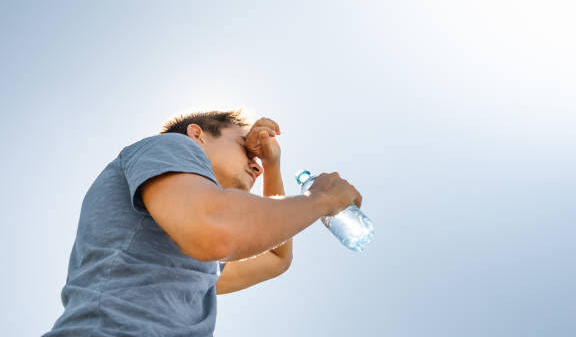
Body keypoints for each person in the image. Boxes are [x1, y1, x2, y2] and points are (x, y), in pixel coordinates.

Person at [44, 110, 362, 337]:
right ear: (197, 135)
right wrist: (321, 199)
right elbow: (216, 232)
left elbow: (276, 257)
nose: (256, 165)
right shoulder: (171, 146)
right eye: (246, 146)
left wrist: (272, 164)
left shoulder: (189, 240)